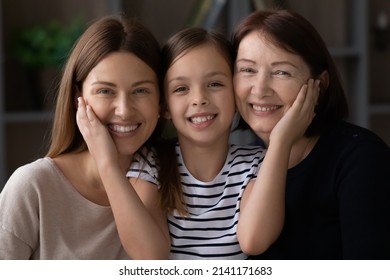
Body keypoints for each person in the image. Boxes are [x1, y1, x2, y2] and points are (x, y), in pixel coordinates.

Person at [123, 27, 320, 259]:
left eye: (215, 84)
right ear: (165, 106)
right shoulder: (150, 164)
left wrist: (280, 140)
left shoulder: (257, 165)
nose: (199, 100)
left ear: (237, 96)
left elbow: (253, 241)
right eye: (181, 88)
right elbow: (149, 257)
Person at [0, 15, 167, 259]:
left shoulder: (169, 182)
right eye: (105, 91)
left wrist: (108, 166)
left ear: (160, 99)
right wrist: (107, 163)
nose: (124, 110)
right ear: (77, 96)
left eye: (140, 90)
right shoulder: (32, 187)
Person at [231, 9, 390, 259]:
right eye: (247, 70)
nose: (259, 89)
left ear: (320, 84)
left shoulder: (361, 158)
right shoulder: (241, 165)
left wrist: (281, 140)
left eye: (282, 72)